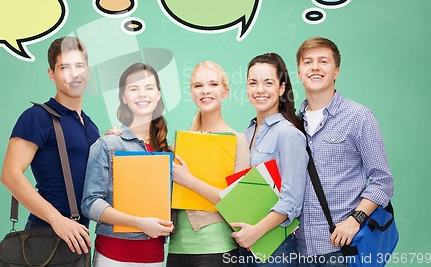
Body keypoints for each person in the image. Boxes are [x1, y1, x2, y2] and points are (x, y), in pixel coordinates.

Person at [295, 37, 394, 267]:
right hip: (298, 250)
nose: (315, 67)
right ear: (299, 72)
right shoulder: (293, 123)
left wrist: (355, 219)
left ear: (336, 70)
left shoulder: (359, 117)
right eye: (308, 62)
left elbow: (383, 182)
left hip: (341, 250)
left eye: (323, 61)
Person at [1, 36, 100, 255]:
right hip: (45, 234)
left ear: (88, 71)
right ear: (51, 74)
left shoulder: (91, 126)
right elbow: (10, 174)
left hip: (79, 238)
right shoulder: (37, 117)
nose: (74, 74)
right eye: (64, 67)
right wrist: (57, 220)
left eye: (79, 66)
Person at [81, 63, 174, 267]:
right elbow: (90, 203)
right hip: (113, 257)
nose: (142, 94)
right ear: (124, 97)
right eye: (134, 88)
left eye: (149, 88)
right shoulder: (108, 144)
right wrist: (139, 223)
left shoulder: (169, 152)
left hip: (156, 259)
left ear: (158, 94)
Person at [168, 61, 250, 267]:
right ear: (192, 93)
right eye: (198, 86)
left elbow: (236, 202)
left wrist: (188, 180)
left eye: (213, 84)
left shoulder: (237, 140)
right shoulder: (180, 142)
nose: (205, 91)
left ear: (225, 91)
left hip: (217, 248)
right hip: (177, 248)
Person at [230, 53, 308, 267]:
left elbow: (292, 200)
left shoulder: (288, 134)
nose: (260, 90)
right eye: (253, 83)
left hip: (275, 247)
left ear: (282, 88)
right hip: (245, 242)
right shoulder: (245, 134)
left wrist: (256, 232)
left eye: (268, 83)